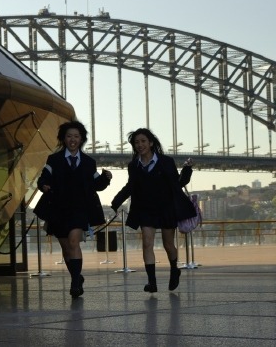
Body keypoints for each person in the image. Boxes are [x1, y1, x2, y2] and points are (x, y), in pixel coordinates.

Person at [111, 128, 195, 293]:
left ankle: (174, 270)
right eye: (136, 142)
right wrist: (116, 202)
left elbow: (177, 183)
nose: (140, 145)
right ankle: (152, 282)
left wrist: (187, 170)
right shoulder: (133, 166)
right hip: (145, 209)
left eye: (143, 141)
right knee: (147, 243)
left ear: (150, 143)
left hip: (166, 208)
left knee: (168, 244)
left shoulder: (166, 161)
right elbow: (131, 186)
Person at [37, 121, 112, 299]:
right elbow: (43, 178)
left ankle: (75, 284)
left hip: (80, 209)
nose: (73, 139)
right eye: (69, 136)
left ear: (81, 139)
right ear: (64, 138)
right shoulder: (53, 159)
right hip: (58, 208)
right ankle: (77, 277)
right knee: (65, 247)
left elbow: (97, 185)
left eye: (76, 136)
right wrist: (43, 186)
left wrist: (106, 178)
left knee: (73, 243)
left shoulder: (88, 162)